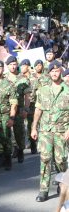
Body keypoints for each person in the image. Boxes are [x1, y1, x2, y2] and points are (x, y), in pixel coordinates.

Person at [31, 60, 69, 202]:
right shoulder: (43, 90)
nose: (54, 73)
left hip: (61, 131)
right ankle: (43, 190)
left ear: (61, 71)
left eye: (57, 71)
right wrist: (34, 127)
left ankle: (63, 183)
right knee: (45, 159)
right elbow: (38, 109)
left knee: (61, 160)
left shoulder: (67, 90)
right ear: (49, 73)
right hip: (46, 130)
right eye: (52, 71)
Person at [0, 60, 18, 170]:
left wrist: (12, 117)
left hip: (4, 114)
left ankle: (7, 159)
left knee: (5, 137)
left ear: (3, 70)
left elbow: (14, 103)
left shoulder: (9, 84)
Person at [5, 56, 31, 163]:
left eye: (14, 64)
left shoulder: (23, 78)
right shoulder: (4, 78)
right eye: (10, 64)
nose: (13, 66)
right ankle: (7, 154)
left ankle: (20, 150)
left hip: (19, 109)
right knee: (5, 133)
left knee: (19, 132)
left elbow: (27, 96)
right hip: (6, 109)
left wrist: (26, 109)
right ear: (7, 66)